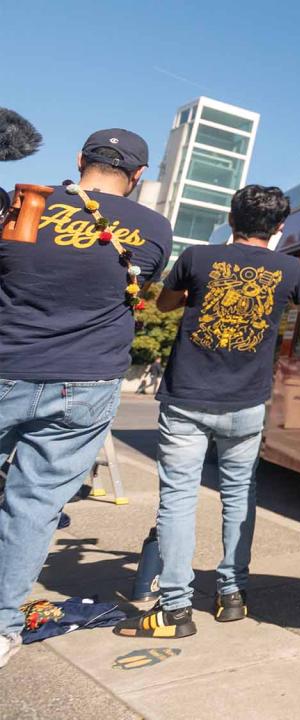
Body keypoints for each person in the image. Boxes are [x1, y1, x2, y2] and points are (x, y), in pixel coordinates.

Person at [0, 129, 172, 668]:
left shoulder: (26, 203)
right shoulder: (154, 227)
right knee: (35, 504)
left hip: (8, 361)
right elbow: (138, 284)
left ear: (80, 161)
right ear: (138, 176)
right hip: (87, 380)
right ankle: (2, 626)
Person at [113, 186, 300, 639]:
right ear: (280, 227)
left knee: (179, 499)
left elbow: (164, 302)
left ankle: (175, 609)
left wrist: (198, 297)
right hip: (246, 402)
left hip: (186, 398)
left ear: (230, 217)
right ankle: (232, 595)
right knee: (240, 495)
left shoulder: (197, 257)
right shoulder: (291, 268)